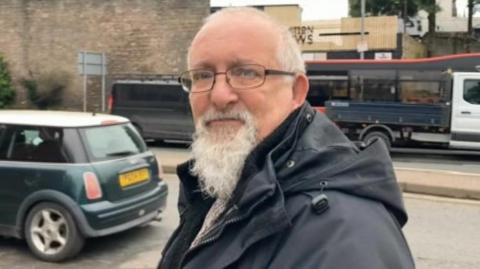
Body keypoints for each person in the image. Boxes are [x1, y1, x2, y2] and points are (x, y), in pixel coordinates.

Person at [158, 7, 415, 269]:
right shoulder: (222, 186)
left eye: (246, 72)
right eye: (202, 75)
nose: (219, 96)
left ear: (296, 91)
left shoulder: (349, 234)